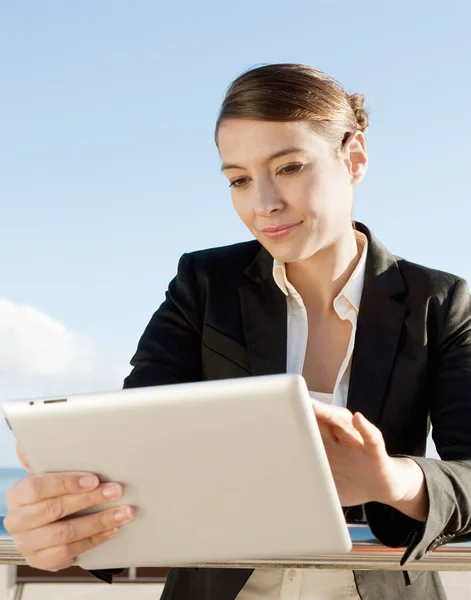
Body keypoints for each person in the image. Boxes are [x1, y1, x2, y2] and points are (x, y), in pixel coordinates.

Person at [4, 63, 471, 600]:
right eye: (239, 180)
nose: (263, 203)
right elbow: (141, 449)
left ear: (354, 156)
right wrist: (68, 520)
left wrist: (392, 480)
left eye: (290, 167)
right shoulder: (204, 285)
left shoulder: (439, 301)